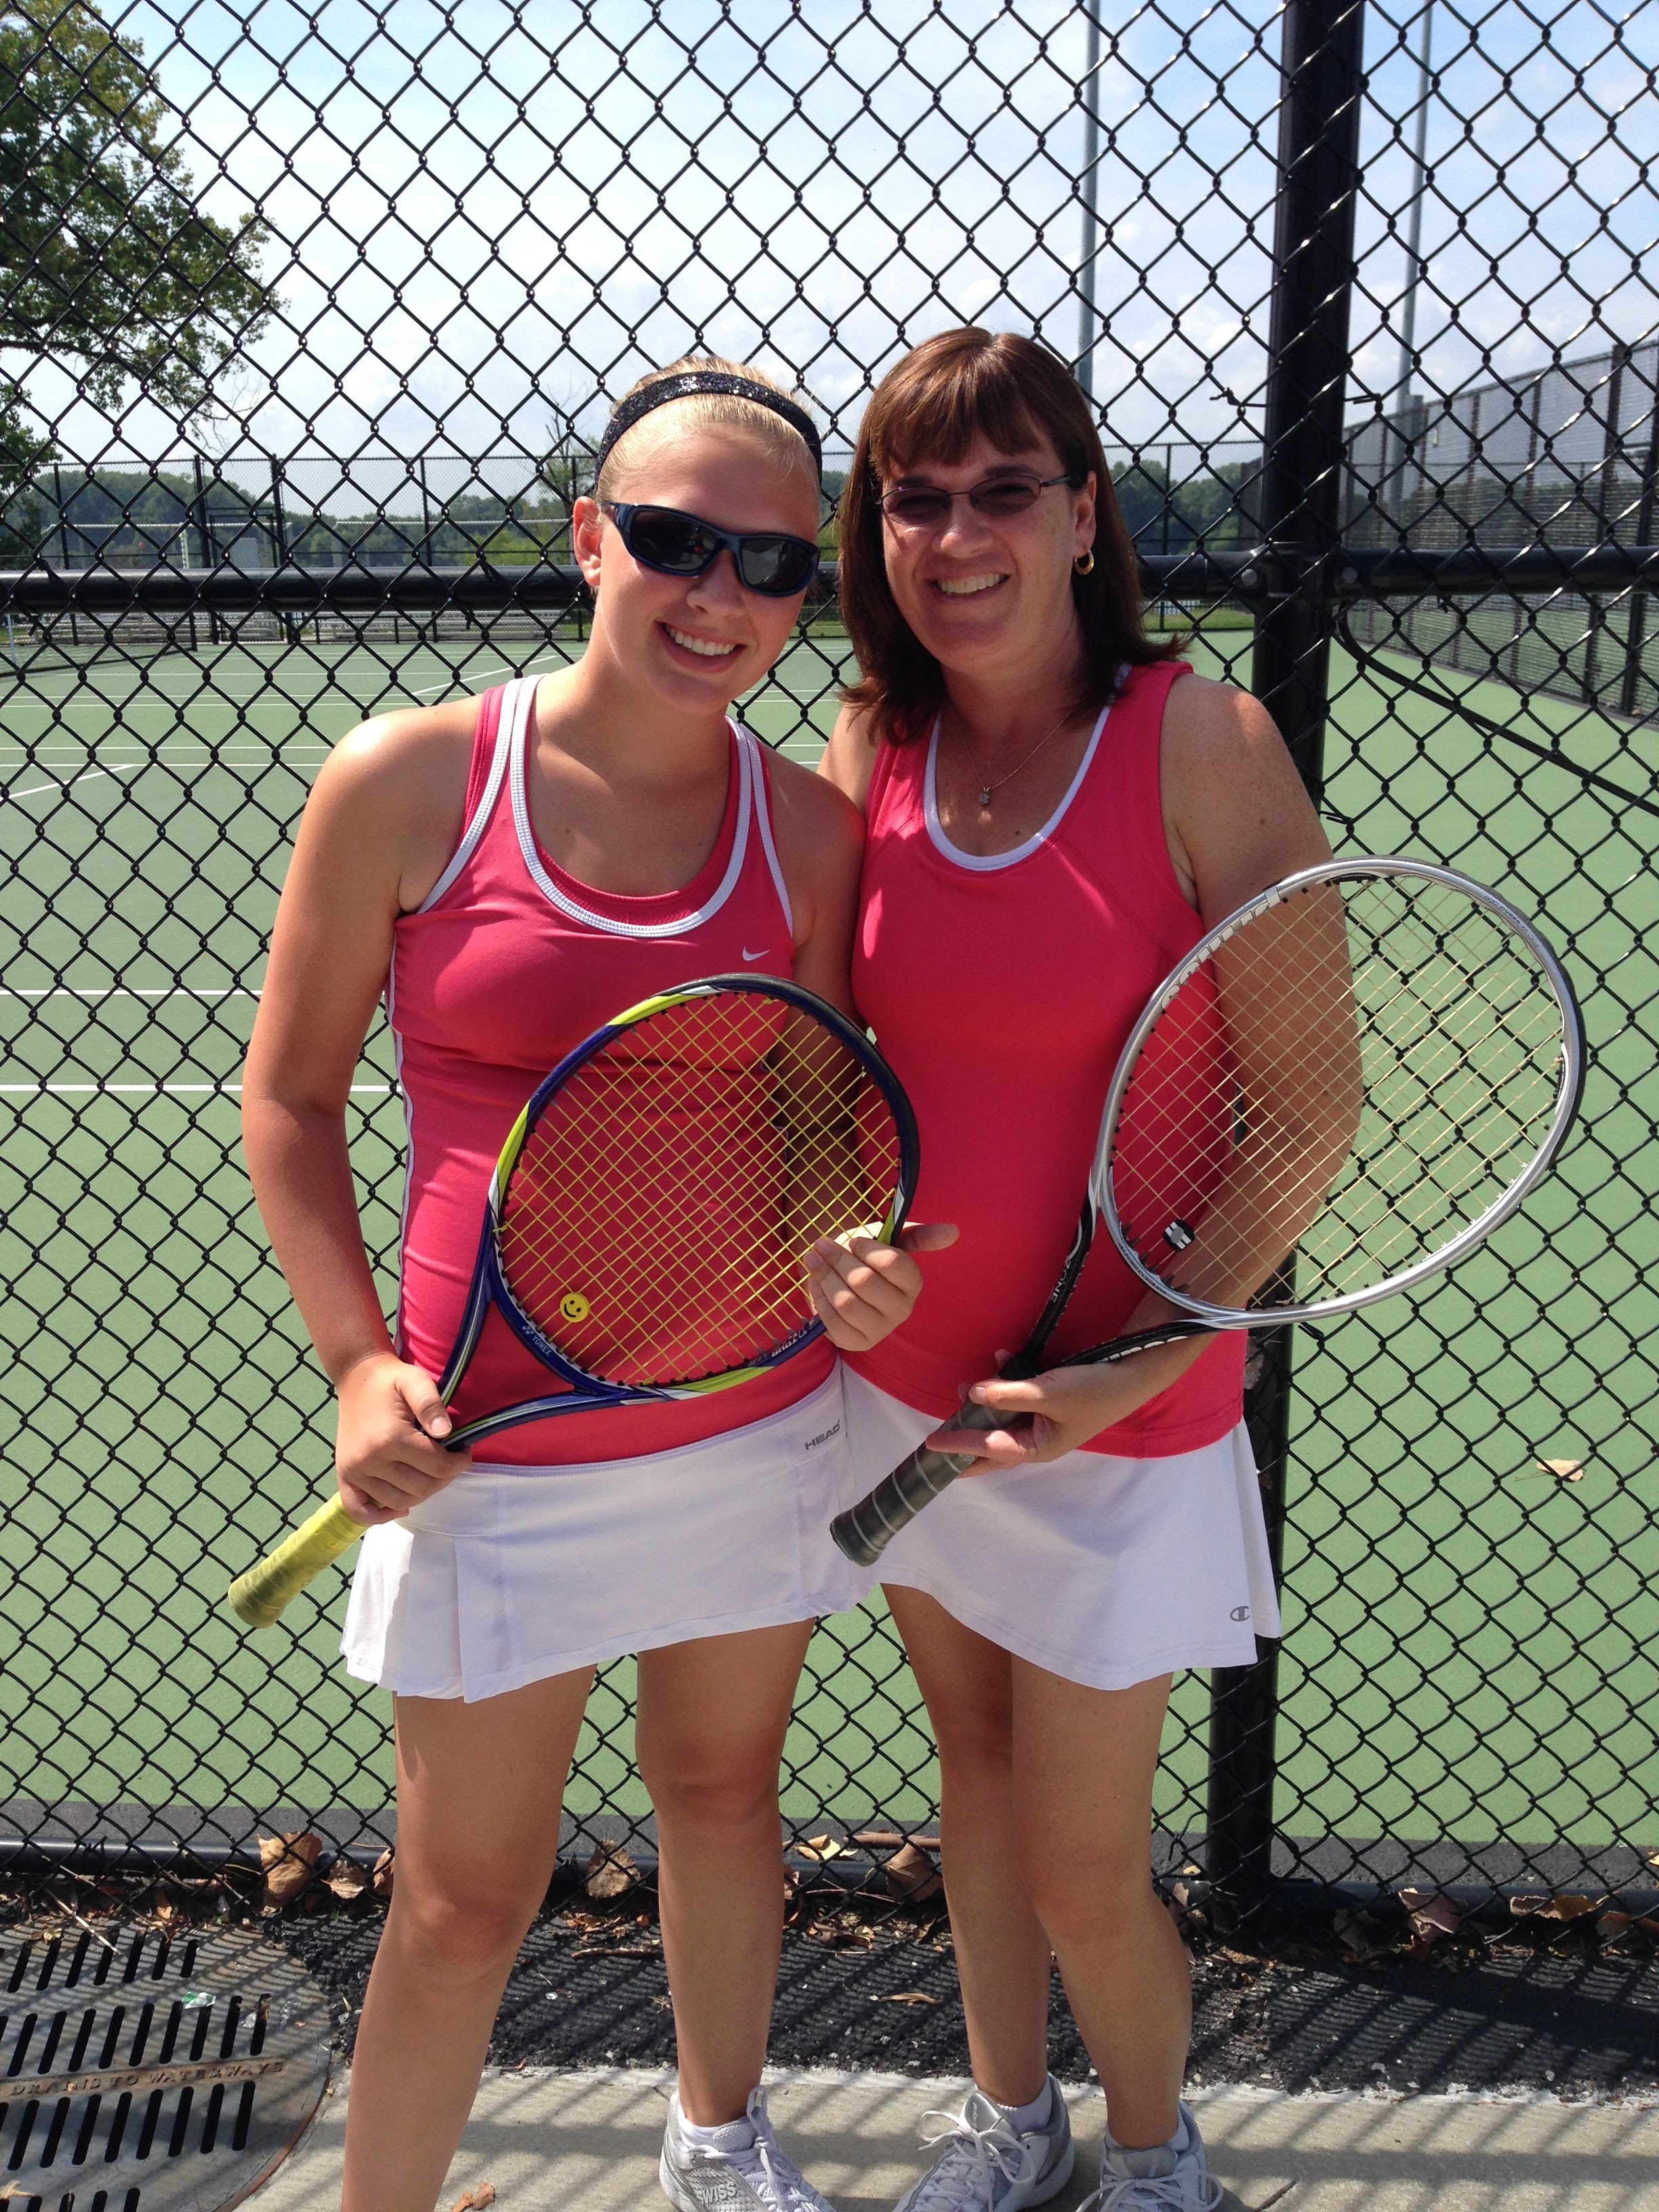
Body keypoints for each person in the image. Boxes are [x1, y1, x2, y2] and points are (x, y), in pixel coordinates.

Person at [241, 357, 945, 2212]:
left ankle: (721, 2147)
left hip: (746, 1423)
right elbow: (291, 1101)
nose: (721, 595)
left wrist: (840, 1249)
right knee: (467, 1899)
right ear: (588, 538)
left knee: (724, 1799)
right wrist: (354, 1367)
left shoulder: (805, 835)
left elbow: (817, 1127)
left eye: (776, 564)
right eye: (673, 541)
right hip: (491, 1449)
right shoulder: (405, 781)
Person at [821, 327, 1332, 2211]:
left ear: (1082, 509)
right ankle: (1010, 2120)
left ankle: (1151, 2150)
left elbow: (1309, 1112)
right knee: (969, 1793)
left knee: (1078, 1859)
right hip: (924, 1408)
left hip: (1121, 1417)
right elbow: (824, 1065)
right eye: (915, 497)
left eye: (1003, 490)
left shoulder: (1200, 740)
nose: (958, 534)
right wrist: (831, 1235)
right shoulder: (870, 742)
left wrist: (1145, 1353)